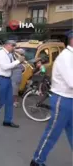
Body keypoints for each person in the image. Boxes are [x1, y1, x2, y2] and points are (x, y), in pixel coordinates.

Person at [30, 30, 73, 166]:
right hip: (63, 99)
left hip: (69, 99)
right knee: (53, 132)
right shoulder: (66, 57)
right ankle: (37, 160)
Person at [0, 40, 25, 128]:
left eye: (14, 46)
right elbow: (5, 67)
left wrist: (19, 62)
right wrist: (18, 61)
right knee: (0, 101)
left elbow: (12, 65)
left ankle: (7, 121)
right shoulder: (0, 54)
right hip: (0, 78)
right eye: (13, 45)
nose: (14, 47)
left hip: (7, 78)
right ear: (7, 45)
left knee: (9, 101)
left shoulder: (10, 54)